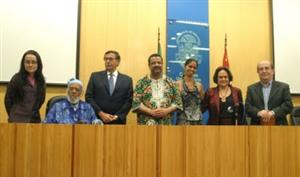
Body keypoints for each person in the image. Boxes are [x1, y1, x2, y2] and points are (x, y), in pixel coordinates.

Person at [132, 53, 183, 125]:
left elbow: (178, 103)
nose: (156, 65)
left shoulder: (171, 82)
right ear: (149, 65)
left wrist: (166, 111)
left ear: (162, 64)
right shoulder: (141, 83)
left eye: (159, 63)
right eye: (153, 63)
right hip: (145, 124)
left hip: (166, 123)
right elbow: (136, 104)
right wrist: (150, 112)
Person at [85, 50, 133, 124]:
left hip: (118, 121)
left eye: (110, 59)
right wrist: (101, 113)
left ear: (118, 62)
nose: (107, 61)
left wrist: (117, 116)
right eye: (105, 59)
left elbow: (129, 101)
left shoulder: (127, 80)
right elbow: (89, 97)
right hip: (98, 120)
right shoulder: (95, 77)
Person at [245, 60, 293, 125]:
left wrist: (272, 112)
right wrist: (259, 112)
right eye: (261, 69)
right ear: (258, 72)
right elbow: (248, 107)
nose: (264, 71)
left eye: (267, 68)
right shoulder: (251, 89)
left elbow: (288, 106)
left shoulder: (283, 87)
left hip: (279, 126)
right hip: (257, 126)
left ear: (273, 71)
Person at [4, 50, 46, 123]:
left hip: (34, 120)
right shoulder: (16, 79)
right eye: (27, 62)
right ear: (23, 64)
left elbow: (41, 100)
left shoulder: (41, 80)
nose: (30, 65)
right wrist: (13, 114)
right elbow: (8, 100)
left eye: (33, 62)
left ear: (38, 64)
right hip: (16, 119)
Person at [176, 58, 204, 125]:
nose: (192, 69)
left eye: (194, 68)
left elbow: (203, 102)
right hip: (182, 120)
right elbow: (175, 103)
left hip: (198, 121)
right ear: (184, 66)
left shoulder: (199, 85)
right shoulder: (177, 84)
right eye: (190, 66)